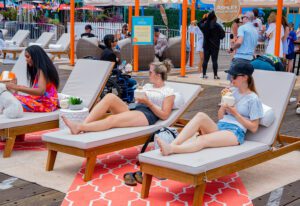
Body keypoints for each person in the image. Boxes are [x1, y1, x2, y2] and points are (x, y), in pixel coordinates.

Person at [157, 62, 263, 156]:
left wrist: (236, 114)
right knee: (200, 116)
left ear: (245, 77)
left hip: (235, 132)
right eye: (231, 75)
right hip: (221, 126)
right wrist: (223, 103)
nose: (231, 78)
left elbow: (254, 128)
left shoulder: (253, 99)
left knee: (202, 139)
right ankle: (172, 144)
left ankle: (172, 149)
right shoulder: (232, 92)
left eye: (234, 76)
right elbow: (221, 117)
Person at [62, 60, 176, 134]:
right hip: (135, 108)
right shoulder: (147, 86)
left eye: (150, 72)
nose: (148, 74)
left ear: (158, 75)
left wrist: (148, 103)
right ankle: (84, 125)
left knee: (112, 119)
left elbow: (165, 115)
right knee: (110, 97)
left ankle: (80, 127)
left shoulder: (167, 91)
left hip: (147, 114)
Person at [5, 45, 59, 112]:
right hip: (45, 102)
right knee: (11, 98)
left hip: (46, 105)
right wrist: (16, 86)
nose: (26, 59)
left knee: (10, 99)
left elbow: (40, 91)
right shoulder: (40, 70)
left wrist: (16, 87)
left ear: (36, 57)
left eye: (28, 57)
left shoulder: (42, 70)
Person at [228, 12, 258, 79]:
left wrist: (231, 49)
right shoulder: (255, 30)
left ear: (246, 18)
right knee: (244, 82)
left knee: (232, 80)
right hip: (250, 59)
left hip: (240, 58)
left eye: (242, 17)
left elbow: (239, 43)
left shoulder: (242, 28)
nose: (242, 20)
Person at [200, 11, 225, 79]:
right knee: (214, 61)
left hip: (206, 46)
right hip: (215, 46)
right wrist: (217, 37)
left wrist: (205, 18)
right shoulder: (217, 26)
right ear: (214, 17)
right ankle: (215, 75)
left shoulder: (205, 26)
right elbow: (223, 35)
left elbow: (199, 23)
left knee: (205, 60)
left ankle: (204, 74)